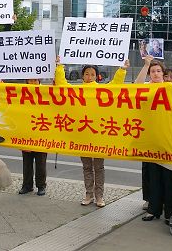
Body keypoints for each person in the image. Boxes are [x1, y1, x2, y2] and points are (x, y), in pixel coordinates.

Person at [55, 56, 130, 207]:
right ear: (82, 75)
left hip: (98, 135)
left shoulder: (101, 89)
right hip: (83, 134)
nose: (89, 77)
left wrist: (122, 69)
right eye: (87, 74)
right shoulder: (76, 90)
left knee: (99, 167)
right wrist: (59, 67)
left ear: (97, 76)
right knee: (87, 167)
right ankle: (88, 194)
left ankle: (99, 196)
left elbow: (115, 85)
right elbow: (62, 85)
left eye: (92, 74)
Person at [137, 56, 172, 224]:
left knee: (169, 182)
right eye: (166, 76)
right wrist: (147, 65)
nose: (168, 79)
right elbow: (136, 87)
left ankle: (170, 213)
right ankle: (154, 210)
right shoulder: (151, 93)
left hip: (171, 146)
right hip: (153, 145)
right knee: (153, 180)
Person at [19, 78, 48, 196]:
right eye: (29, 80)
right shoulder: (21, 91)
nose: (32, 83)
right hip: (26, 131)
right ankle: (27, 185)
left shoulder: (47, 91)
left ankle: (41, 185)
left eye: (34, 80)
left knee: (41, 161)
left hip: (41, 130)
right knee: (27, 161)